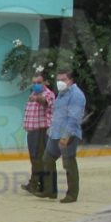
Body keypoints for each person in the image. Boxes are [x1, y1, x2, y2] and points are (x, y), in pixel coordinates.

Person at [39, 70, 86, 203]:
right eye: (58, 79)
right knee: (47, 159)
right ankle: (50, 190)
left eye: (63, 79)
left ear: (71, 80)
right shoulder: (61, 94)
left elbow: (74, 117)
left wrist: (66, 136)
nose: (60, 82)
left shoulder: (76, 95)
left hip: (68, 134)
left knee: (68, 163)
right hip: (55, 133)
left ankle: (72, 194)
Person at [22, 74, 56, 195]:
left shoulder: (48, 94)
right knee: (34, 158)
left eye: (39, 82)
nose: (36, 85)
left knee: (39, 158)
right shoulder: (33, 94)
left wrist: (37, 98)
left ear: (45, 82)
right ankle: (35, 183)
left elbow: (45, 102)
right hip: (32, 130)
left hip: (41, 130)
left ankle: (38, 184)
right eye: (34, 82)